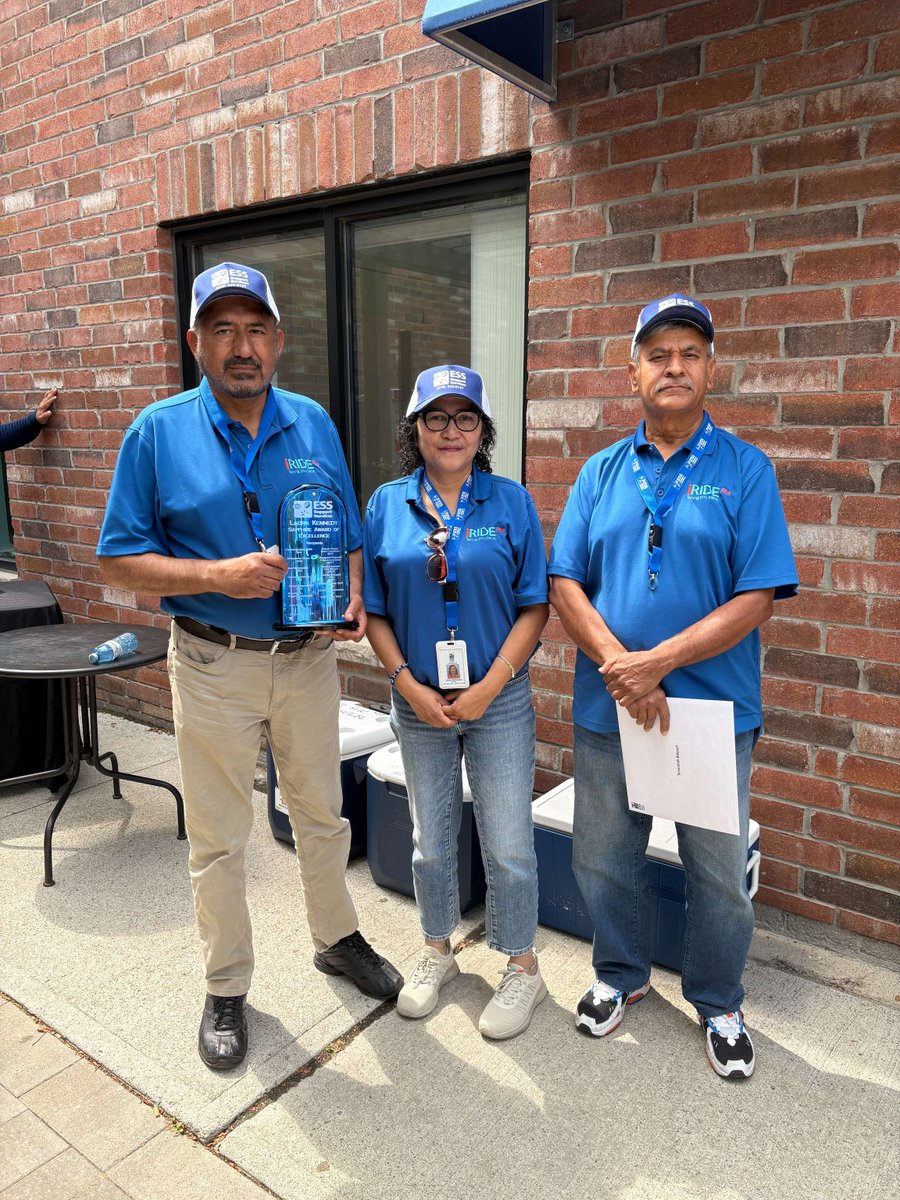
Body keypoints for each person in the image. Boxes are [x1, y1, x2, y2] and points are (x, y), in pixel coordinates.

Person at [97, 262, 402, 1071]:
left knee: (323, 816)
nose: (242, 347)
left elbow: (343, 530)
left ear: (278, 339)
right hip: (211, 660)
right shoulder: (156, 432)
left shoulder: (312, 422)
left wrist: (355, 592)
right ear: (194, 341)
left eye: (256, 329)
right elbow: (119, 561)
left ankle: (337, 940)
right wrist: (216, 575)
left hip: (307, 661)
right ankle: (226, 985)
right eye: (223, 330)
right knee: (219, 837)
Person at [548, 294, 797, 1079]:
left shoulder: (745, 471)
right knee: (602, 858)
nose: (675, 367)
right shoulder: (599, 471)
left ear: (711, 368)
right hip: (609, 708)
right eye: (658, 355)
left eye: (689, 353)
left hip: (710, 713)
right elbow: (564, 581)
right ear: (634, 372)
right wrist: (625, 670)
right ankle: (621, 977)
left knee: (718, 875)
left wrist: (654, 664)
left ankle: (720, 1000)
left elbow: (757, 595)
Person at [364, 365, 550, 1040]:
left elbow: (535, 605)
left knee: (508, 841)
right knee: (431, 840)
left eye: (464, 418)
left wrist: (492, 683)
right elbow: (376, 610)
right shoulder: (386, 504)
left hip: (497, 700)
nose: (450, 431)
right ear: (415, 429)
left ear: (483, 430)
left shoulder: (510, 503)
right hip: (418, 700)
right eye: (435, 418)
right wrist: (409, 683)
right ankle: (437, 948)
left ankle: (523, 964)